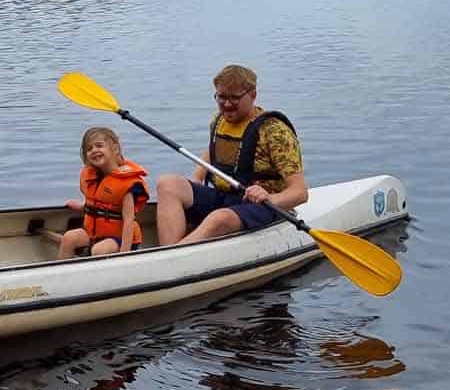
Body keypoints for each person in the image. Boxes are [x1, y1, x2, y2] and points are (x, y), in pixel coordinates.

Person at [155, 64, 307, 244]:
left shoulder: (274, 132)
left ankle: (175, 257)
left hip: (263, 206)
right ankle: (168, 253)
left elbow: (300, 193)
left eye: (234, 98)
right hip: (225, 197)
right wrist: (197, 176)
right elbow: (214, 151)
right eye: (221, 97)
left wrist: (269, 197)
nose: (227, 104)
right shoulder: (219, 121)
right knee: (167, 184)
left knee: (219, 218)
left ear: (252, 95)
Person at [61, 126, 148, 257]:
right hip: (95, 234)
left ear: (115, 149)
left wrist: (125, 253)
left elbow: (129, 221)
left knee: (99, 250)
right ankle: (63, 272)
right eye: (89, 149)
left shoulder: (126, 183)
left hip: (120, 239)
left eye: (99, 145)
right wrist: (82, 207)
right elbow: (97, 205)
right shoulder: (93, 177)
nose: (94, 150)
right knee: (69, 237)